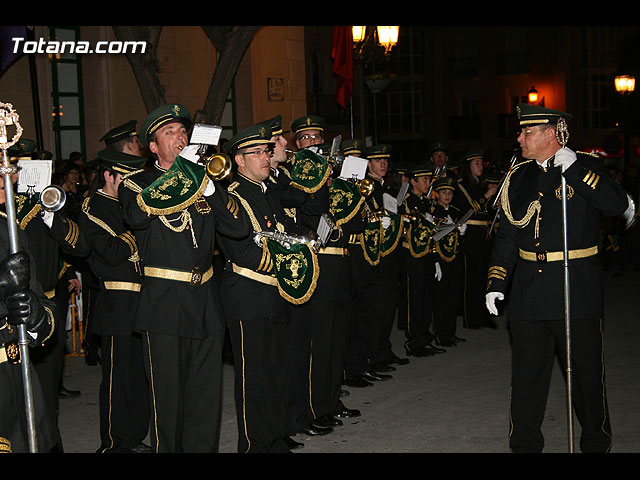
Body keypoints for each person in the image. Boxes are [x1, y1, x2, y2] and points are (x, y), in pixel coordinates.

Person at [485, 103, 629, 453]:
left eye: (527, 131)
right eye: (520, 131)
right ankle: (525, 445)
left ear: (551, 133)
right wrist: (496, 283)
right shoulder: (517, 175)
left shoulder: (587, 166)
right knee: (527, 378)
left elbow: (617, 206)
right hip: (528, 294)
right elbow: (506, 236)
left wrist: (576, 170)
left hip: (574, 289)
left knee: (585, 378)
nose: (519, 137)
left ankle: (596, 443)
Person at [118, 103, 250, 453]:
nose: (179, 137)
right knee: (169, 399)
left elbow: (238, 227)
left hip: (205, 300)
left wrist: (208, 190)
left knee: (205, 398)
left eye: (182, 131)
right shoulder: (137, 183)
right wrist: (183, 174)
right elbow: (136, 215)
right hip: (164, 303)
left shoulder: (204, 179)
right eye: (169, 133)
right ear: (153, 147)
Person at [216, 123, 301, 453]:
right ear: (239, 160)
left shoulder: (268, 193)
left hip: (275, 294)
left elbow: (286, 234)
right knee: (255, 379)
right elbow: (240, 250)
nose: (267, 157)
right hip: (248, 295)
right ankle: (254, 445)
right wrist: (285, 264)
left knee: (277, 372)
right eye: (259, 153)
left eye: (267, 151)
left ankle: (275, 437)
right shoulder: (233, 196)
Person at [79, 149, 151, 453]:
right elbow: (109, 252)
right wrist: (135, 232)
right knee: (118, 380)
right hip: (117, 304)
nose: (132, 184)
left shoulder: (130, 203)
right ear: (109, 176)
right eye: (126, 177)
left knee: (141, 378)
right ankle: (113, 443)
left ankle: (134, 438)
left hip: (144, 301)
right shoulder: (92, 206)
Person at [399, 162, 445, 357]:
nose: (428, 183)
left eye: (429, 179)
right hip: (411, 256)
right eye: (424, 180)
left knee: (426, 299)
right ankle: (414, 341)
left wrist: (435, 259)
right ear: (413, 182)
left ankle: (425, 337)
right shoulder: (405, 202)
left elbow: (433, 232)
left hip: (426, 255)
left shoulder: (427, 202)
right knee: (414, 299)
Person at [454, 150, 498, 329]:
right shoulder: (462, 186)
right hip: (471, 234)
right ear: (468, 166)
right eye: (476, 163)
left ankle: (486, 315)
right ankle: (471, 317)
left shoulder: (484, 185)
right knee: (472, 278)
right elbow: (469, 209)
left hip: (487, 233)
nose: (480, 166)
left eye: (481, 163)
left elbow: (489, 211)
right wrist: (487, 195)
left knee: (486, 277)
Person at [431, 176, 467, 347]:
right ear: (436, 194)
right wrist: (435, 261)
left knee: (453, 298)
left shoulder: (455, 211)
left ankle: (451, 333)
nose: (447, 196)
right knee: (441, 299)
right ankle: (441, 334)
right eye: (443, 192)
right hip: (441, 260)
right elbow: (432, 239)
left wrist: (461, 231)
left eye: (450, 193)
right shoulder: (433, 212)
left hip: (454, 260)